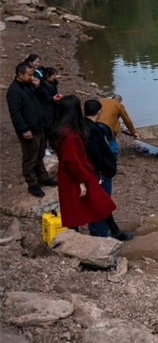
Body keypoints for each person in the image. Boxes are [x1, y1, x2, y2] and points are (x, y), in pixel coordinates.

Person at [50, 95, 131, 240]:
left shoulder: (61, 128)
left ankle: (110, 232)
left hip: (73, 173)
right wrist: (81, 181)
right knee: (98, 203)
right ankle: (101, 235)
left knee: (86, 205)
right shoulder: (69, 133)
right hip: (77, 174)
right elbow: (72, 160)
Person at [6, 62, 57, 197]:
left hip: (39, 126)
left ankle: (43, 178)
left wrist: (39, 86)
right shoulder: (14, 91)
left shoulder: (31, 85)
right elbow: (15, 113)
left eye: (32, 74)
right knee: (30, 157)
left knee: (40, 154)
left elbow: (45, 98)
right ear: (19, 74)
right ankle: (32, 184)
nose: (31, 77)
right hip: (28, 130)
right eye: (28, 75)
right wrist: (23, 129)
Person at [84, 99, 126, 238]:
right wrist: (102, 172)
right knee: (102, 202)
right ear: (99, 112)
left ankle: (107, 231)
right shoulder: (93, 131)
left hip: (95, 172)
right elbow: (95, 155)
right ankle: (101, 235)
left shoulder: (83, 126)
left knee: (98, 202)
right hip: (100, 174)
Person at [37, 66, 61, 138]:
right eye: (53, 75)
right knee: (48, 124)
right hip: (46, 108)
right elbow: (45, 97)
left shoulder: (52, 82)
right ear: (47, 76)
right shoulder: (42, 85)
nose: (55, 77)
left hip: (53, 106)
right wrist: (53, 99)